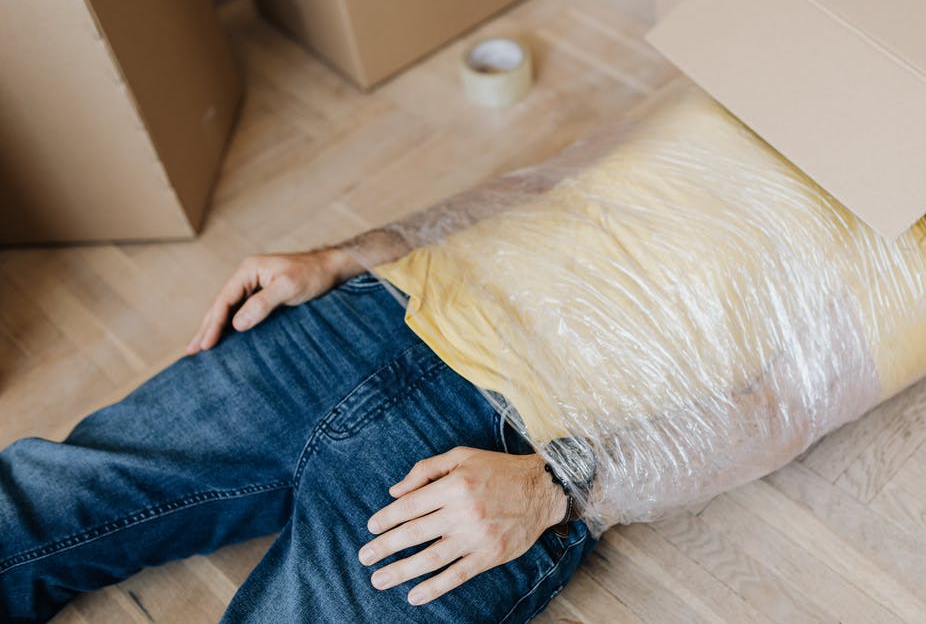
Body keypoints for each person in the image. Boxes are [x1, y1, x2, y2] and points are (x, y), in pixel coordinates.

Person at [0, 241, 598, 622]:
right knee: (44, 499)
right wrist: (342, 258)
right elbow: (535, 201)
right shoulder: (679, 95)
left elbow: (693, 432)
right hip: (390, 304)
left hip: (535, 429)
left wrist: (552, 484)